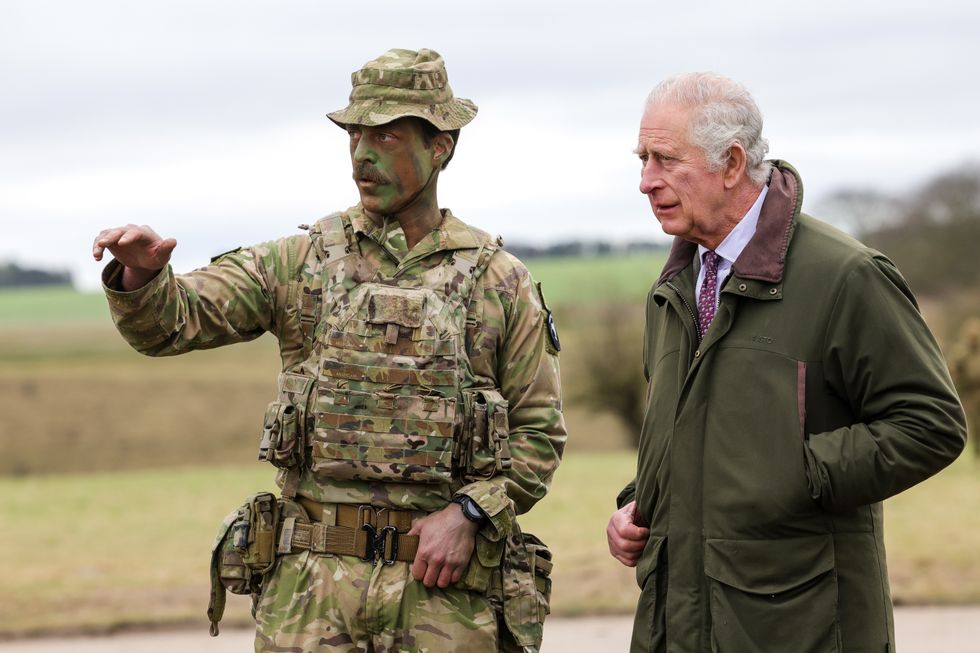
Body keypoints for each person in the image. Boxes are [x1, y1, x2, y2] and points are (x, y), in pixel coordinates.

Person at [92, 48, 565, 653]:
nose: (363, 156)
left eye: (388, 136)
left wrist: (470, 514)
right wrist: (143, 280)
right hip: (310, 597)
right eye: (355, 135)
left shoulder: (499, 280)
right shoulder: (301, 261)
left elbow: (538, 435)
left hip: (443, 595)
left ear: (441, 145)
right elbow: (172, 324)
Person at [606, 72, 966, 652]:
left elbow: (930, 425)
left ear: (731, 163)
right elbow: (691, 436)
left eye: (666, 159)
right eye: (642, 159)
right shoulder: (674, 287)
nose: (646, 181)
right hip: (676, 627)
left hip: (804, 626)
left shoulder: (847, 276)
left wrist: (793, 474)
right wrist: (636, 505)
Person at [950, 318, 980, 458]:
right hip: (971, 394)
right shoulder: (961, 353)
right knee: (975, 424)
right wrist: (961, 398)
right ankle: (977, 451)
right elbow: (955, 377)